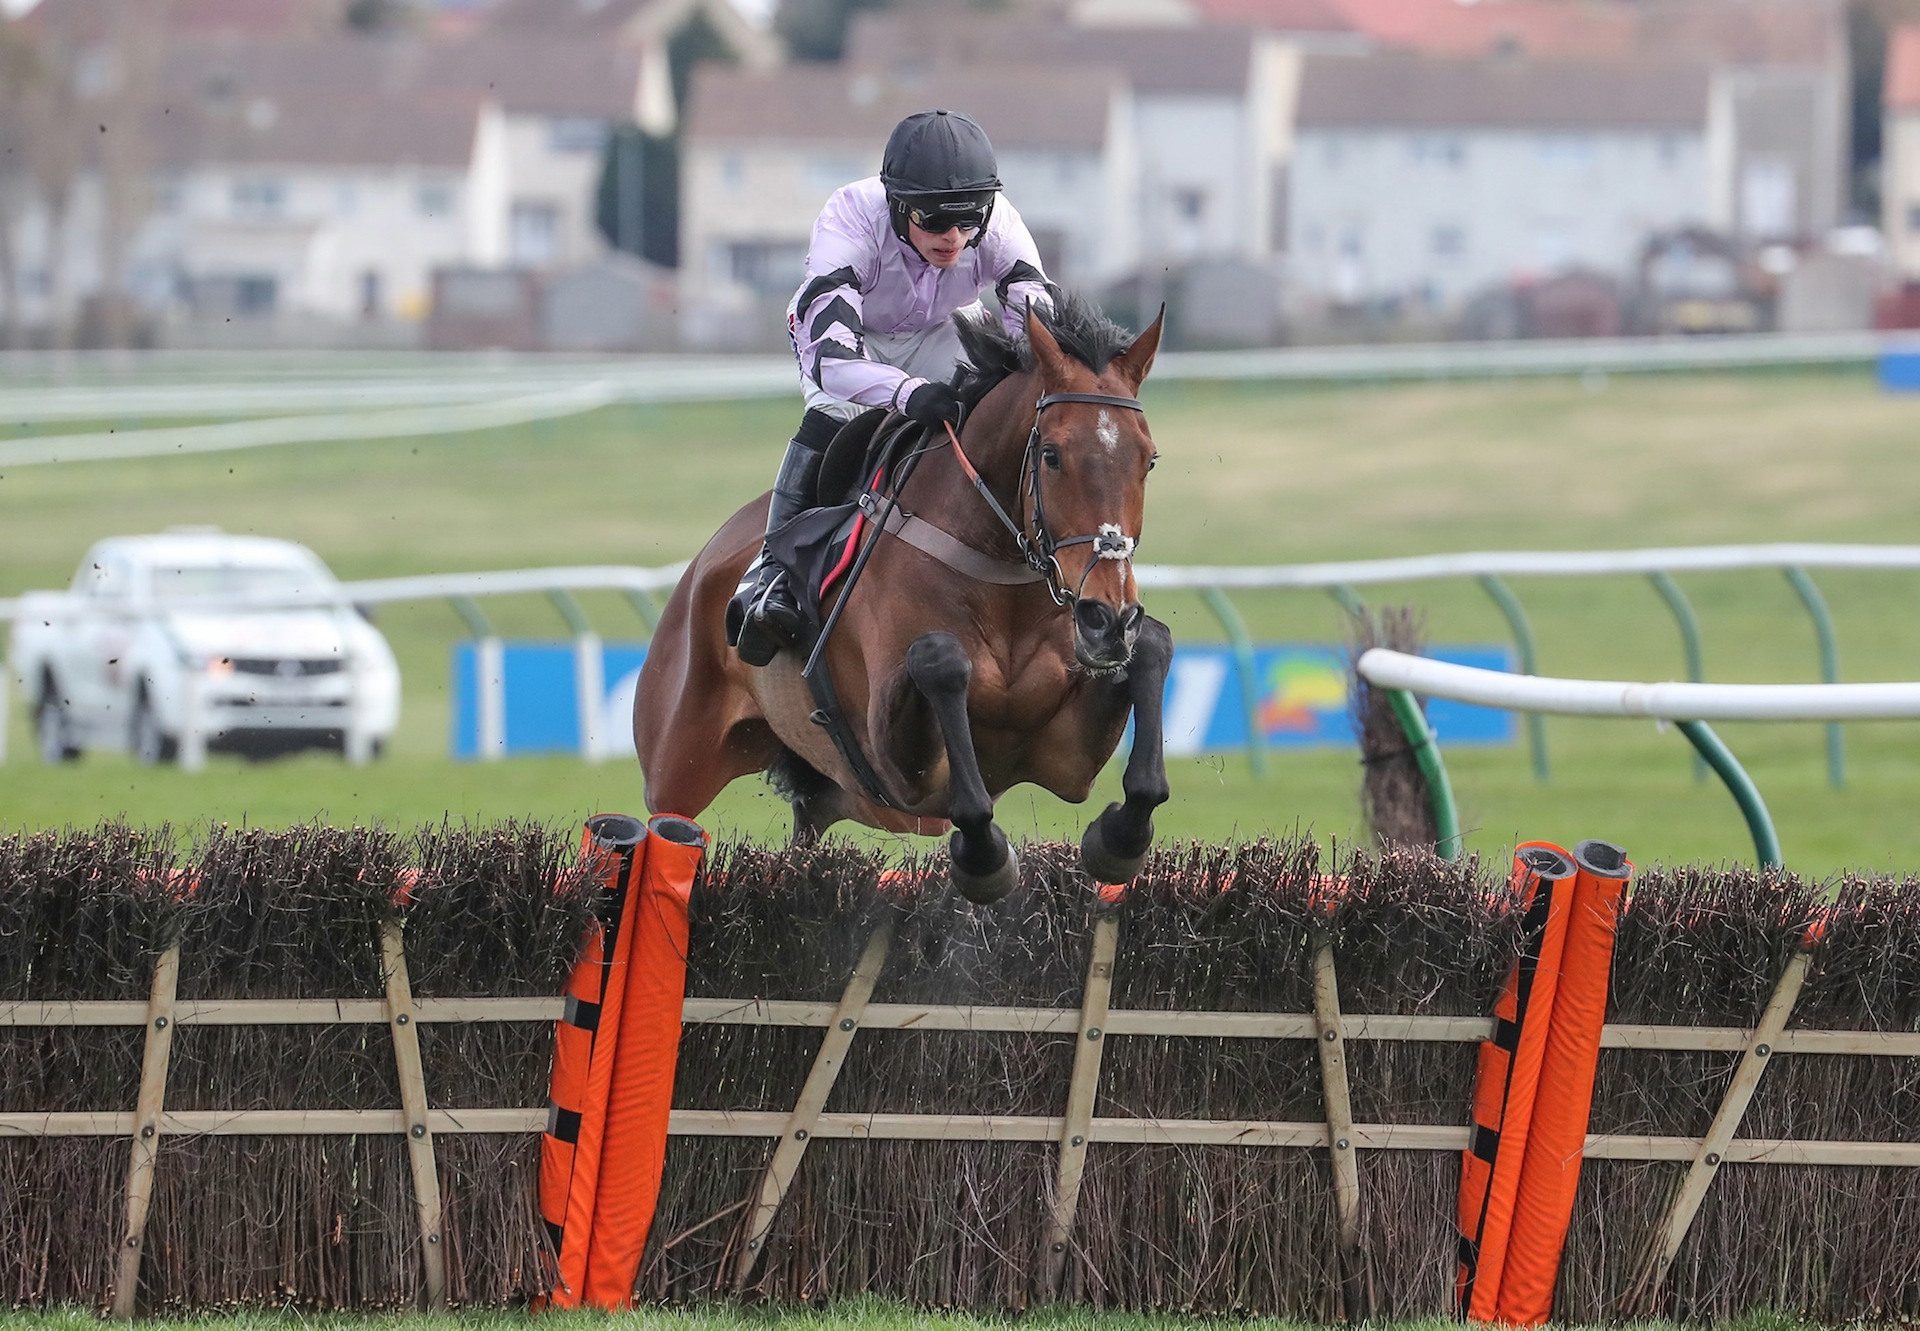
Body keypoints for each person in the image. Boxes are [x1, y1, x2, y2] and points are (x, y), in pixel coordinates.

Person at [726, 108, 1056, 666]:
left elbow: (1038, 329)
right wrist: (906, 394)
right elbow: (833, 361)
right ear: (898, 205)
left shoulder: (998, 223)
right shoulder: (850, 218)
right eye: (934, 220)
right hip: (853, 341)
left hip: (944, 330)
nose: (954, 238)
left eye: (968, 221)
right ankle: (771, 573)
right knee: (833, 416)